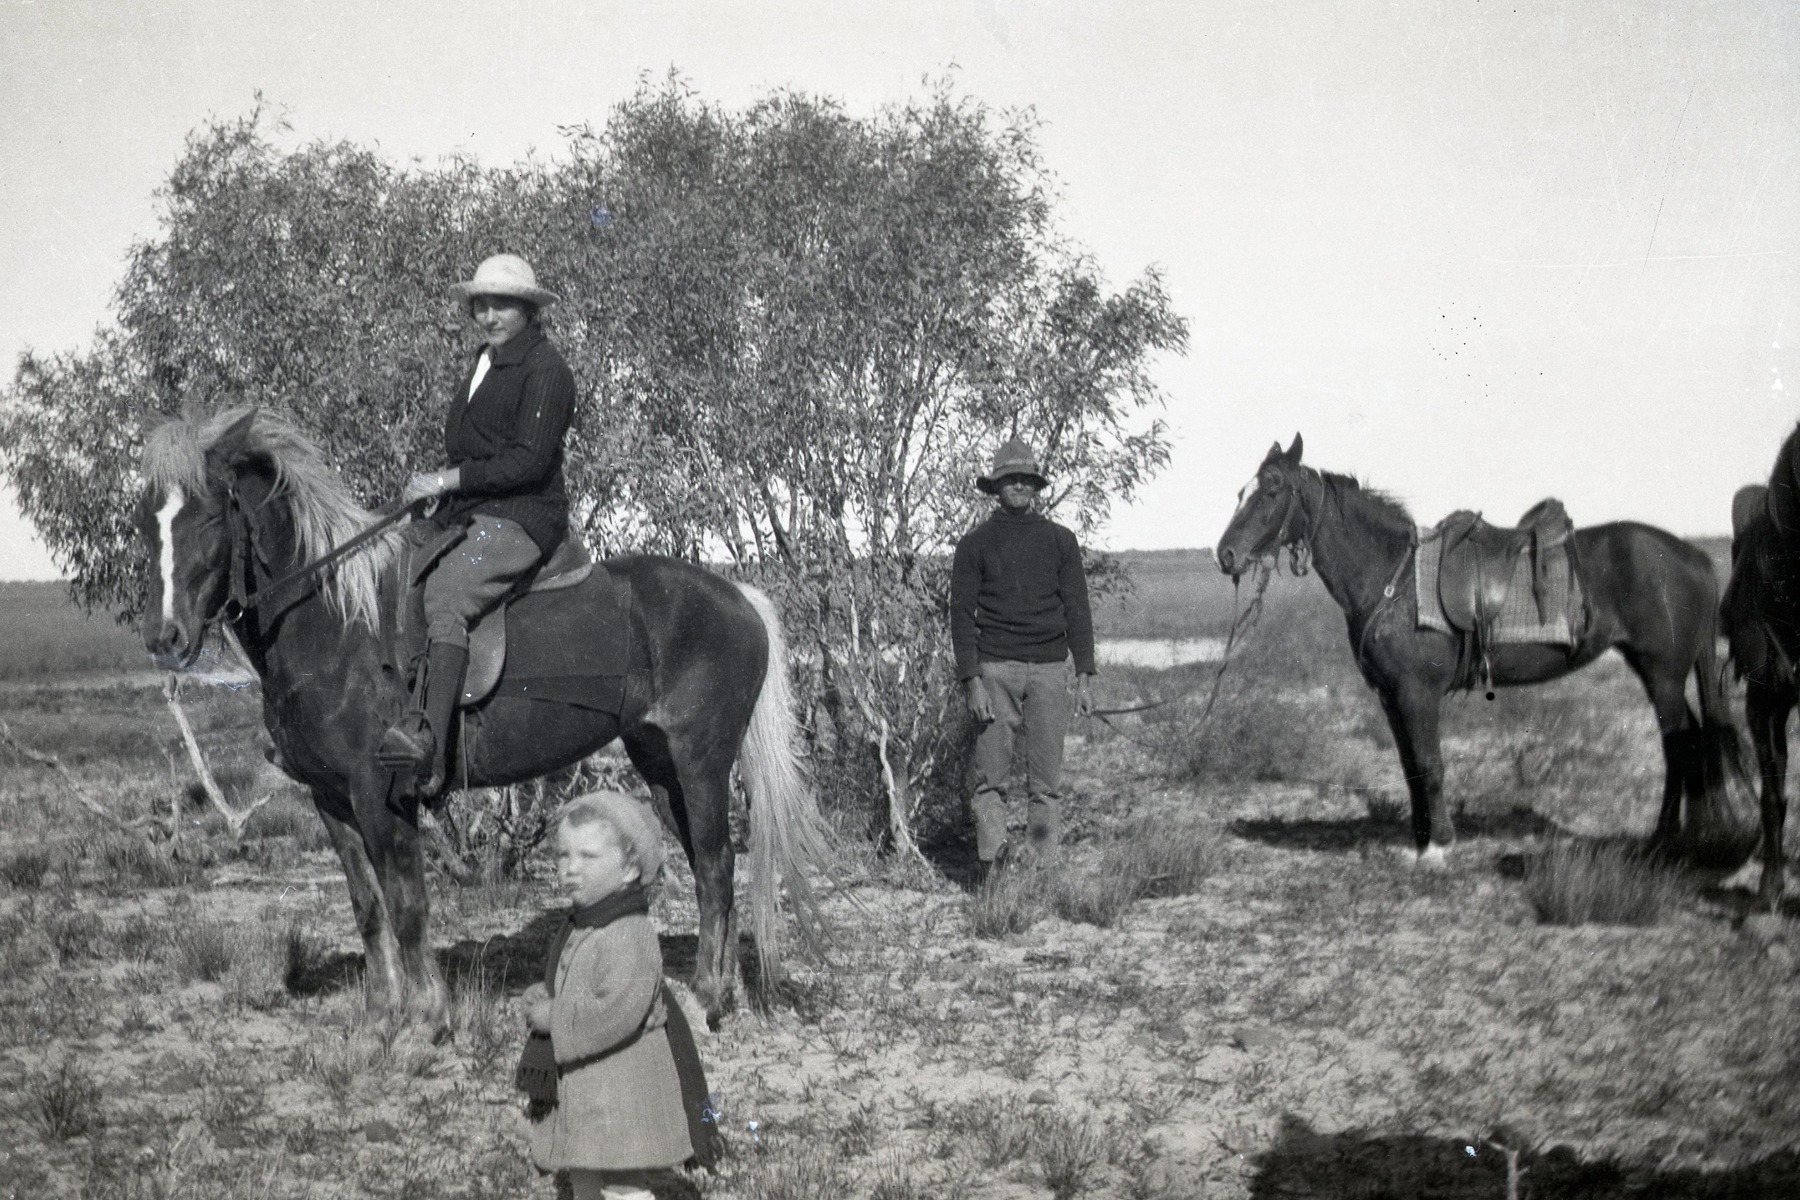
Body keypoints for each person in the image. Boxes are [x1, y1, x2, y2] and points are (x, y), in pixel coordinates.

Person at [377, 253, 576, 793]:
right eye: (480, 305)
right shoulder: (484, 361)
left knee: (447, 592)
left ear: (529, 310)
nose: (488, 315)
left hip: (524, 515)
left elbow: (528, 462)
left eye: (501, 305)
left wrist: (445, 481)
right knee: (391, 571)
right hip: (473, 510)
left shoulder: (547, 369)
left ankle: (429, 751)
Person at [516, 791, 716, 1200]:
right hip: (592, 1087)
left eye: (587, 857)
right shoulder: (584, 924)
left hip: (623, 1085)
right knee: (585, 1171)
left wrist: (556, 1017)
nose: (570, 869)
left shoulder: (629, 932)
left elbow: (618, 1010)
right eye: (562, 856)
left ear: (628, 869)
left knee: (623, 1181)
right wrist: (547, 994)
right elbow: (576, 983)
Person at [950, 438, 1096, 879]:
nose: (1017, 485)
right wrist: (971, 681)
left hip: (1050, 673)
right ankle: (993, 875)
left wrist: (1085, 674)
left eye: (1025, 479)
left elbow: (1077, 608)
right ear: (995, 487)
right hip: (995, 674)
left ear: (1035, 487)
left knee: (1045, 785)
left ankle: (1040, 873)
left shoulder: (1060, 541)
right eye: (1008, 479)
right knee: (990, 782)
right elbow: (960, 614)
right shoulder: (973, 545)